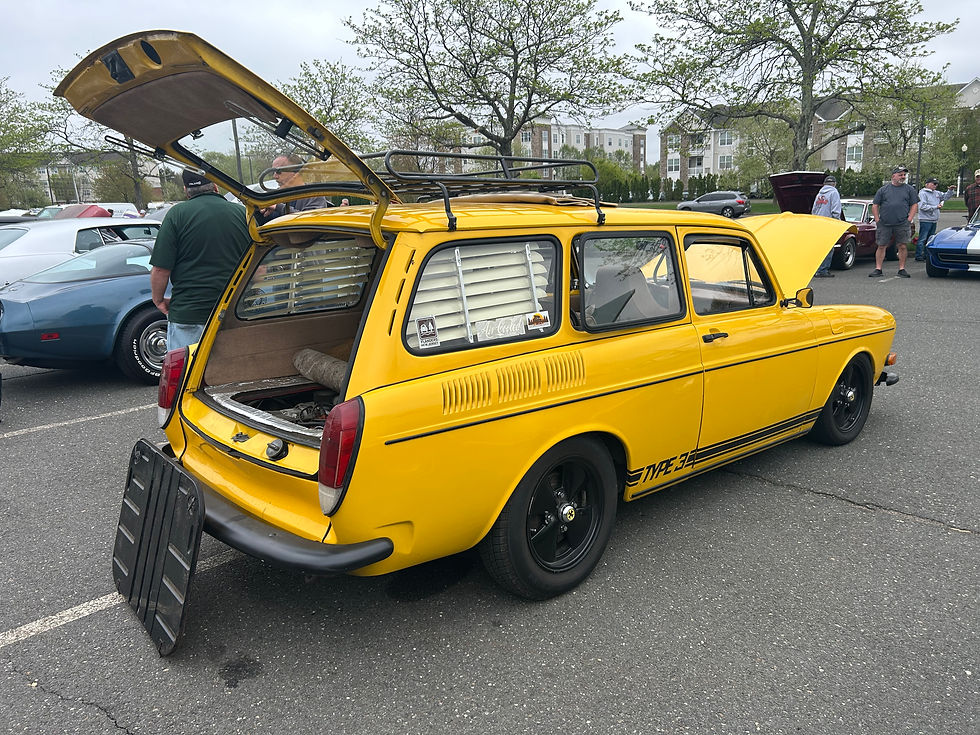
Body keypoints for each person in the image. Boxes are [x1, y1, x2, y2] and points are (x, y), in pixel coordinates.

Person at [150, 169, 250, 351]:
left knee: (186, 374)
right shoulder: (242, 213)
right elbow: (260, 268)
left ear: (186, 190)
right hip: (236, 312)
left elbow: (160, 270)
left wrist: (158, 300)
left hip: (189, 314)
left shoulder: (176, 214)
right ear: (215, 186)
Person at [870, 165, 917, 278]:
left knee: (902, 246)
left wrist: (909, 219)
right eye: (900, 174)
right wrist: (877, 219)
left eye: (904, 175)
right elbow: (875, 205)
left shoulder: (909, 189)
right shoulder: (883, 190)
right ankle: (878, 269)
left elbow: (914, 204)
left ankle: (902, 269)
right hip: (885, 223)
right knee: (881, 245)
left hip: (902, 223)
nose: (903, 177)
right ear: (893, 176)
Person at [262, 153, 328, 218]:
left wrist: (278, 207)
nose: (275, 176)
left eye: (279, 171)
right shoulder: (274, 196)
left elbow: (310, 220)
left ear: (295, 173)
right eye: (273, 172)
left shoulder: (314, 195)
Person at [915, 178, 955, 261]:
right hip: (925, 219)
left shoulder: (936, 193)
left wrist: (950, 190)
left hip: (934, 219)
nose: (935, 185)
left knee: (930, 238)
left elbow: (945, 197)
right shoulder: (922, 193)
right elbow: (922, 207)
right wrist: (935, 207)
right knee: (923, 238)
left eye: (936, 184)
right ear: (927, 184)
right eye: (933, 183)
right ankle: (919, 255)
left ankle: (927, 254)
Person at [811, 174, 842, 278]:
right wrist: (836, 222)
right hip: (829, 223)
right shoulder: (834, 192)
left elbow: (814, 209)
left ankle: (815, 269)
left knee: (819, 247)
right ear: (834, 184)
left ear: (824, 184)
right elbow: (836, 210)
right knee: (829, 248)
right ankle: (823, 270)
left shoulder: (819, 194)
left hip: (818, 223)